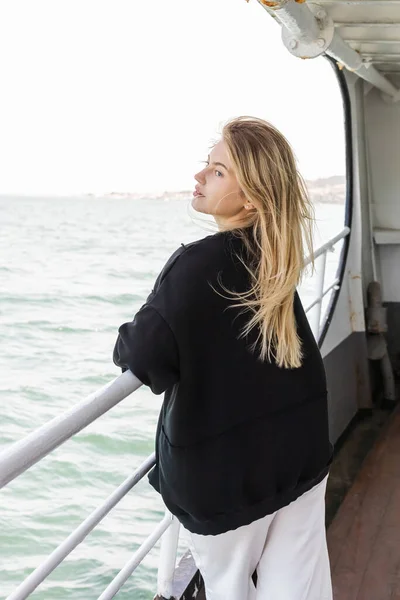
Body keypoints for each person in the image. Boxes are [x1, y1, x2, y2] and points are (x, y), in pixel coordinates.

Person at [113, 116, 334, 600]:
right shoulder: (275, 255)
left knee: (230, 590)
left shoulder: (197, 265)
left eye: (216, 171)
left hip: (229, 480)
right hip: (301, 451)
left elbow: (143, 356)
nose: (198, 178)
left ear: (251, 197)